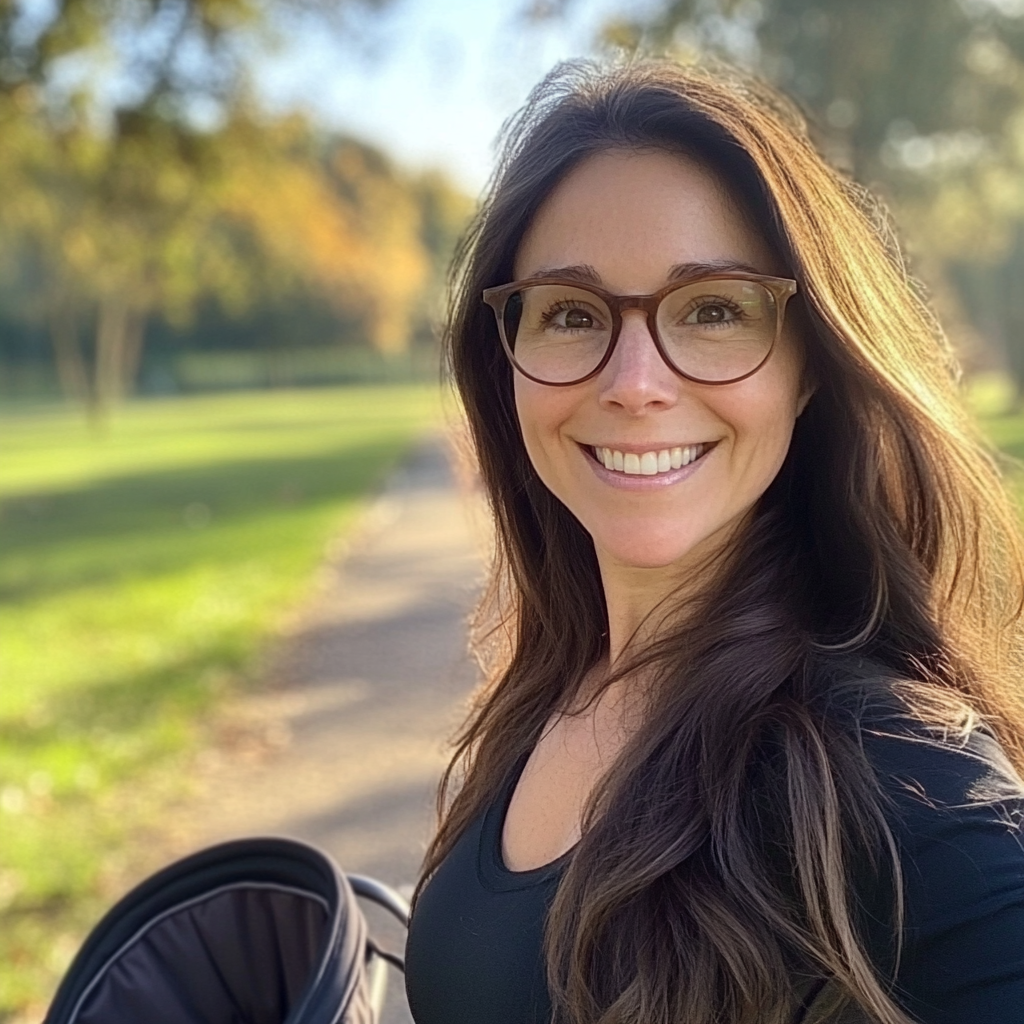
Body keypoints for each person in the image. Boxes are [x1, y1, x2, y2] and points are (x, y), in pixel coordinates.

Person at [403, 58, 1024, 1024]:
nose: (636, 382)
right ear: (506, 364)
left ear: (809, 368)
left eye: (715, 310)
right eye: (571, 314)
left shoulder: (903, 781)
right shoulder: (550, 689)